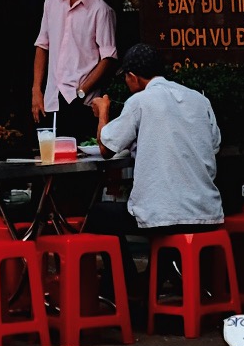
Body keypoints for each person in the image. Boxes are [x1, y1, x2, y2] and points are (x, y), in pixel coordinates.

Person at [90, 44, 225, 292]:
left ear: (133, 77)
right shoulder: (199, 99)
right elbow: (214, 145)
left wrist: (103, 112)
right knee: (155, 211)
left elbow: (106, 148)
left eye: (126, 79)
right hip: (207, 213)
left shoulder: (140, 101)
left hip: (165, 217)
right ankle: (148, 285)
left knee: (97, 214)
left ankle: (126, 287)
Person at [31, 0, 116, 148]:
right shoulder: (52, 1)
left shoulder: (100, 9)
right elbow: (42, 45)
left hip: (82, 100)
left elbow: (108, 57)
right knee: (50, 158)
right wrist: (36, 90)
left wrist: (81, 90)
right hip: (52, 97)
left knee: (80, 161)